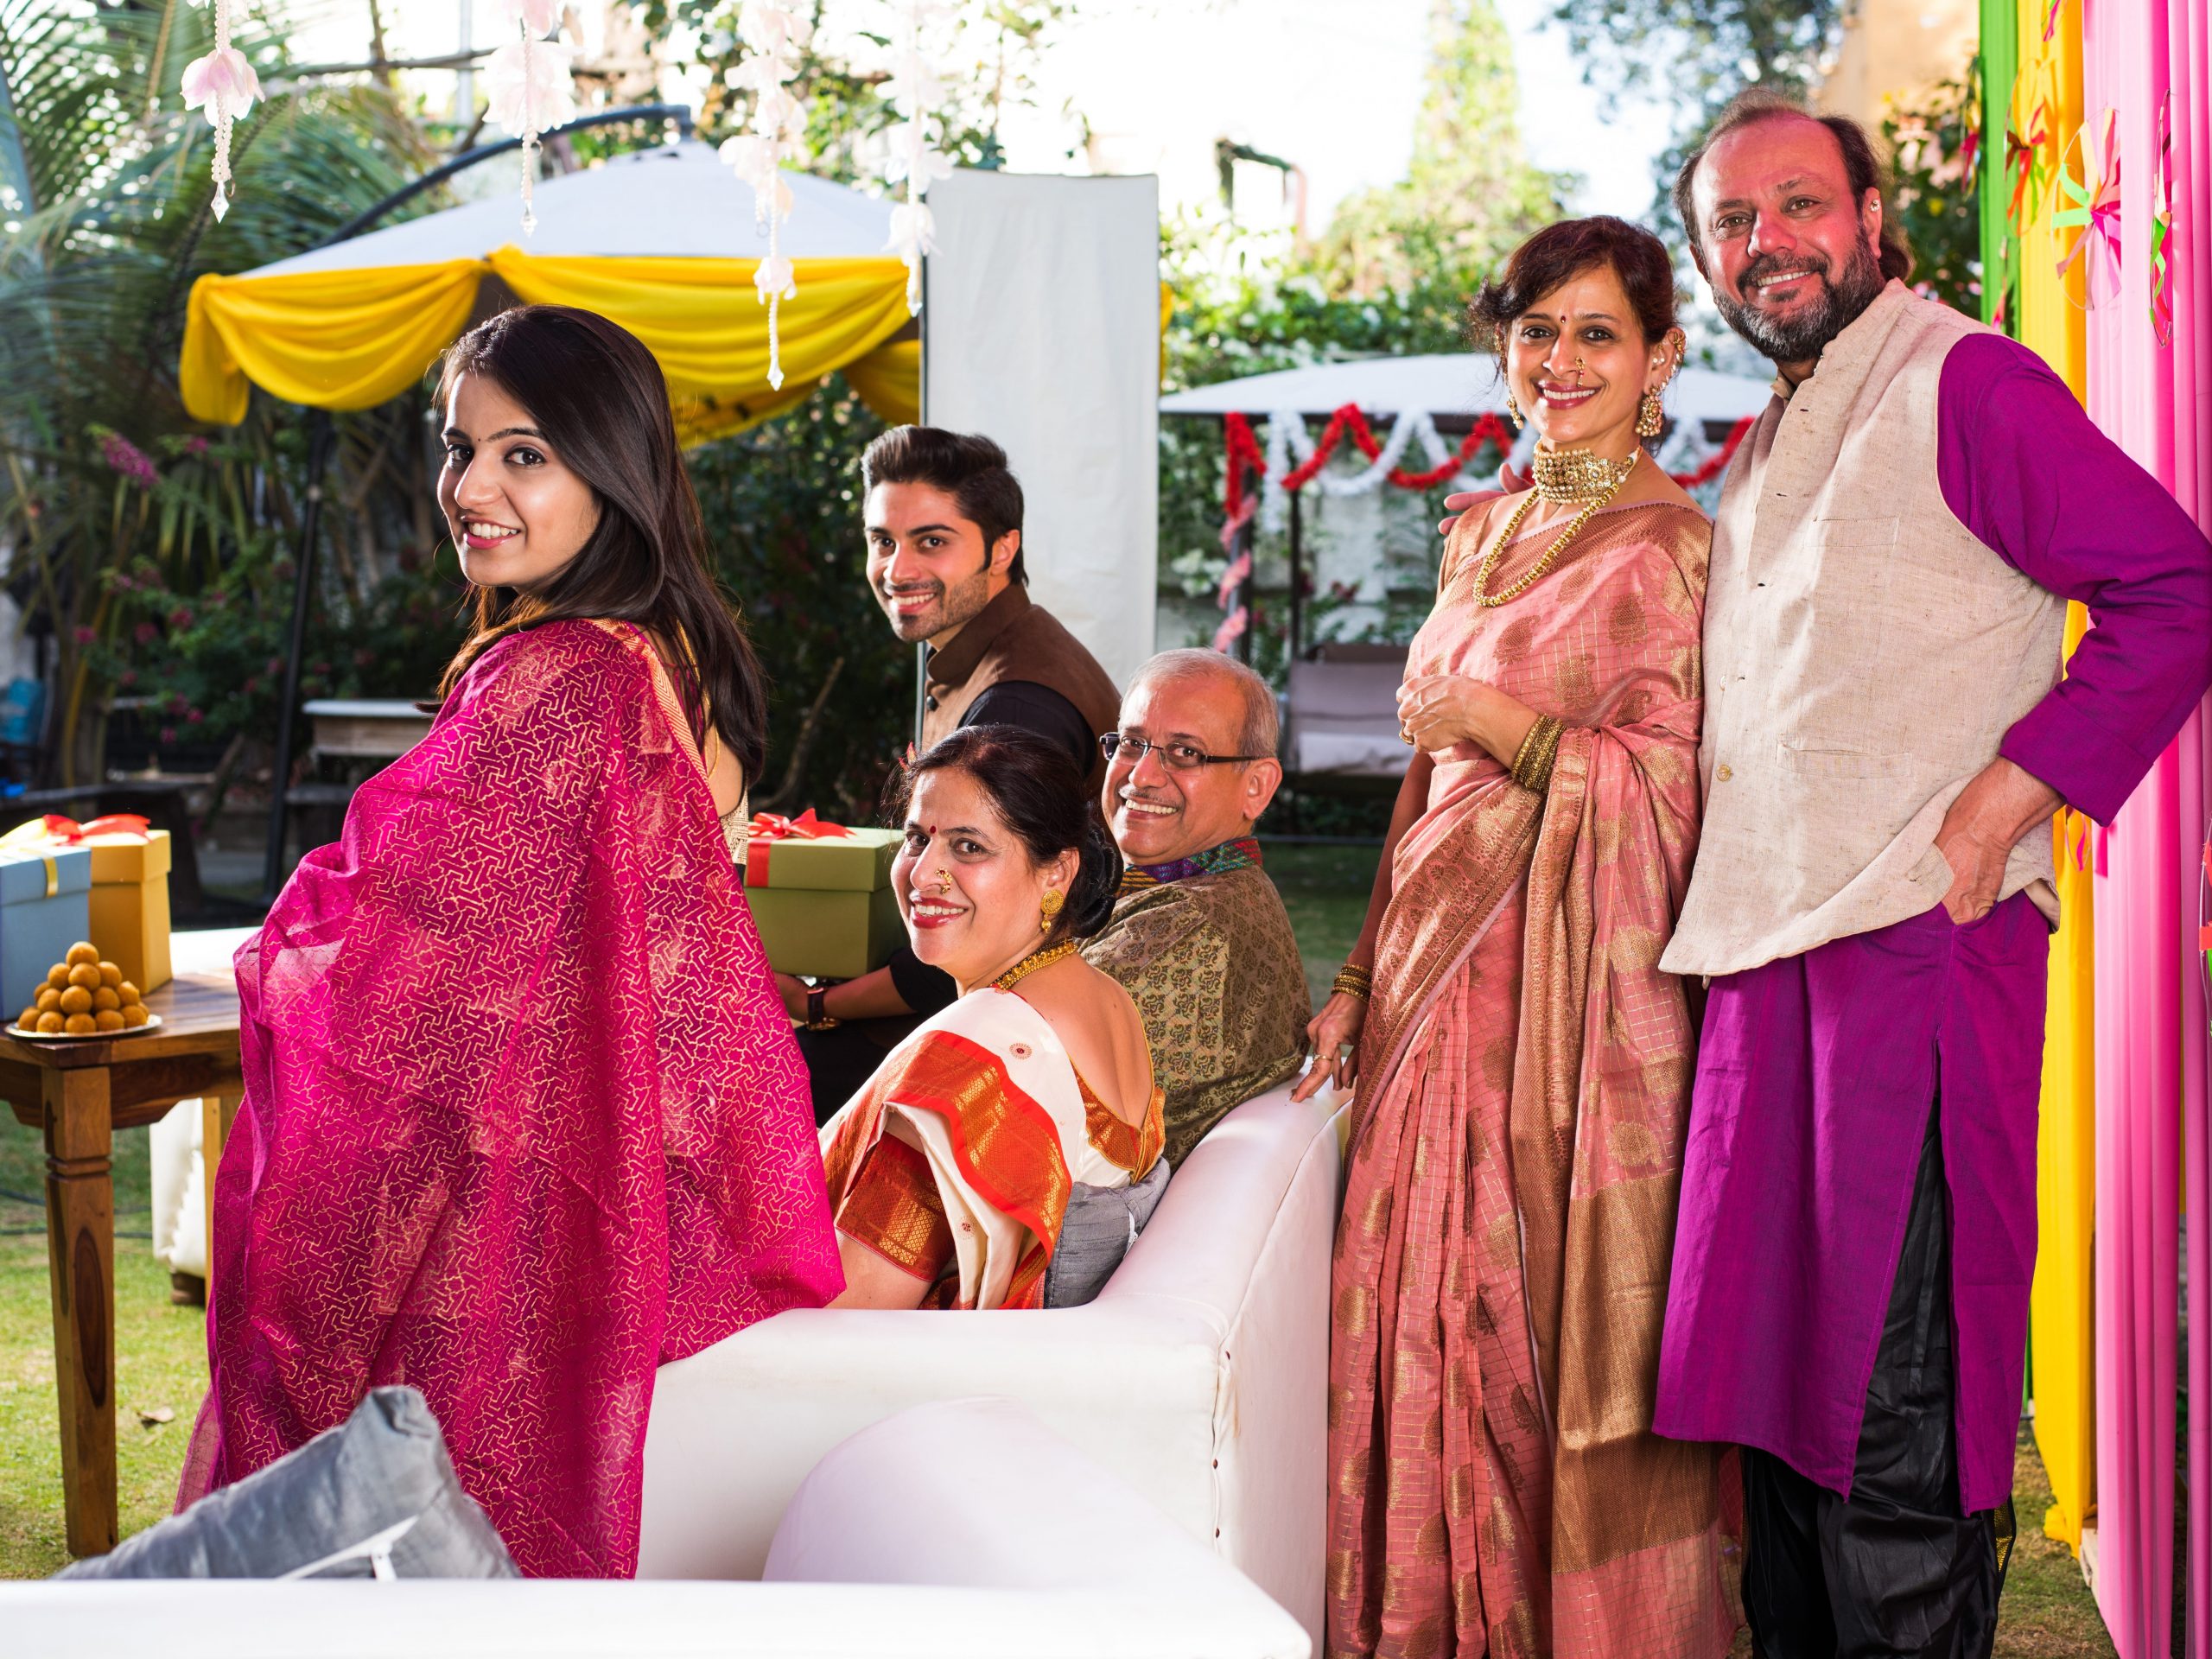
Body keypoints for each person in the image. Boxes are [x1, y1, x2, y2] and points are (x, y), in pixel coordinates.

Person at [1651, 92, 2212, 1658]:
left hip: (1915, 957)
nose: (1768, 244)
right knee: (1771, 1429)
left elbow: (2176, 589)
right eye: (1732, 224)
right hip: (1764, 976)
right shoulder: (1763, 441)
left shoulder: (1968, 379)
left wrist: (2006, 802)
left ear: (1870, 213)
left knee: (1888, 1418)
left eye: (1797, 204)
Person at [183, 306, 842, 1577]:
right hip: (564, 1211)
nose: (470, 488)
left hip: (508, 1229)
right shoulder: (657, 656)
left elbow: (398, 974)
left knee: (381, 1552)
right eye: (457, 447)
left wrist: (286, 952)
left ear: (615, 470)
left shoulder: (564, 679)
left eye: (524, 455)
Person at [1300, 216, 1736, 1656]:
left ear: (1663, 357)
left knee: (1546, 1335)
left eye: (1597, 333)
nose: (1562, 360)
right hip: (1430, 990)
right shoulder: (1480, 530)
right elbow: (1423, 786)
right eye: (1538, 331)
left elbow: (1683, 791)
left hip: (1570, 1010)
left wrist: (1503, 721)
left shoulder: (1677, 552)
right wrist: (1359, 977)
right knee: (1418, 1310)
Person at [779, 428, 1121, 1118]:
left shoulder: (1016, 701)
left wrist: (815, 1004)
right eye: (883, 541)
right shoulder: (989, 654)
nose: (897, 568)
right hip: (982, 993)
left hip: (1005, 1034)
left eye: (931, 541)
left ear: (1003, 548)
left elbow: (967, 927)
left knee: (747, 1080)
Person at [820, 725, 1163, 1312]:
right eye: (915, 839)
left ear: (1057, 871)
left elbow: (849, 1316)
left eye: (968, 847)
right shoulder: (1106, 996)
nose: (923, 874)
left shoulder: (975, 1062)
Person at [1082, 649, 1309, 1169]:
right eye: (1133, 743)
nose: (1140, 777)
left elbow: (1004, 1053)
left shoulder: (1192, 927)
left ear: (1257, 787)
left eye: (1185, 753)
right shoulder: (1214, 885)